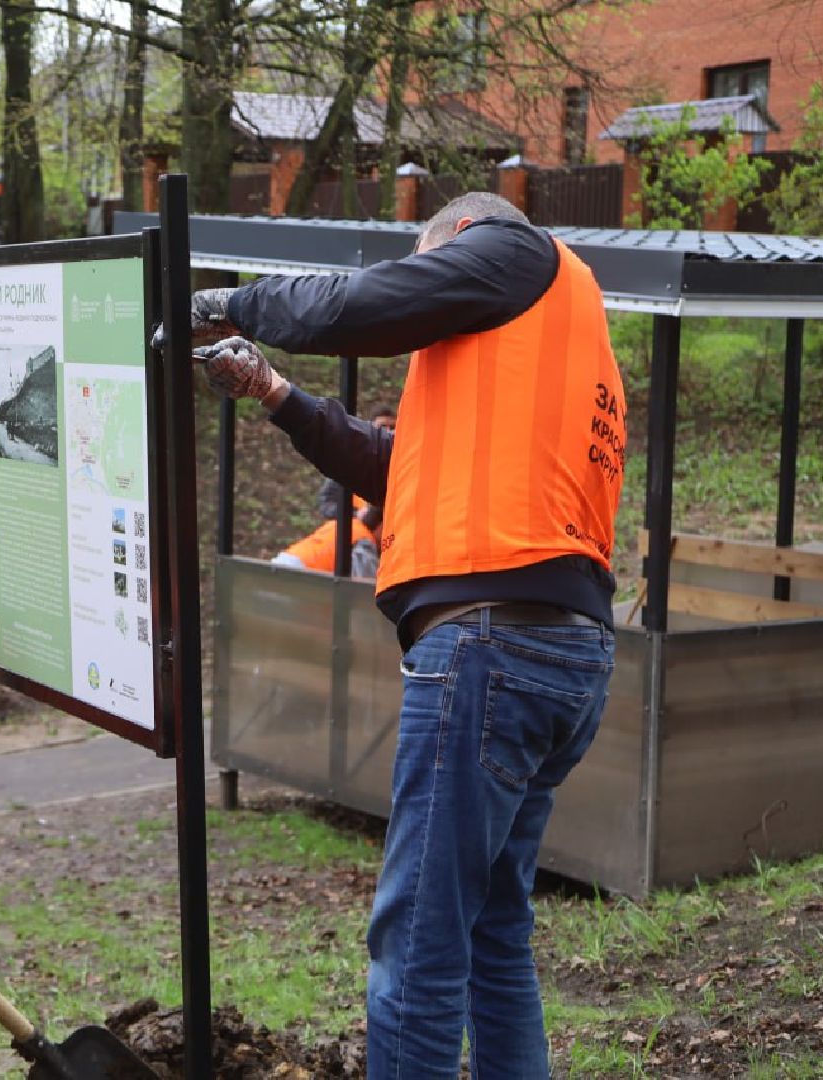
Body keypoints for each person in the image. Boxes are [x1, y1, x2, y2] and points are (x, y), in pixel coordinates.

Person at [182, 192, 624, 1078]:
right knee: (493, 929)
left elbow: (365, 304)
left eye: (433, 268)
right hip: (559, 648)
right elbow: (398, 470)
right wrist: (273, 392)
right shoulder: (544, 351)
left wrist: (226, 299)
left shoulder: (511, 249)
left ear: (454, 241)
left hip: (490, 648)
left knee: (418, 939)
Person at [313, 405, 395, 523]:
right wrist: (355, 515)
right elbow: (327, 504)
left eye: (392, 427)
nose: (388, 432)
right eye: (382, 427)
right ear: (370, 429)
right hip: (358, 533)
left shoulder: (402, 465)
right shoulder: (350, 462)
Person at [273, 498, 384, 578]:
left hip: (279, 566)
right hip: (299, 576)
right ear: (381, 524)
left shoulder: (344, 525)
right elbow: (363, 589)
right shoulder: (364, 542)